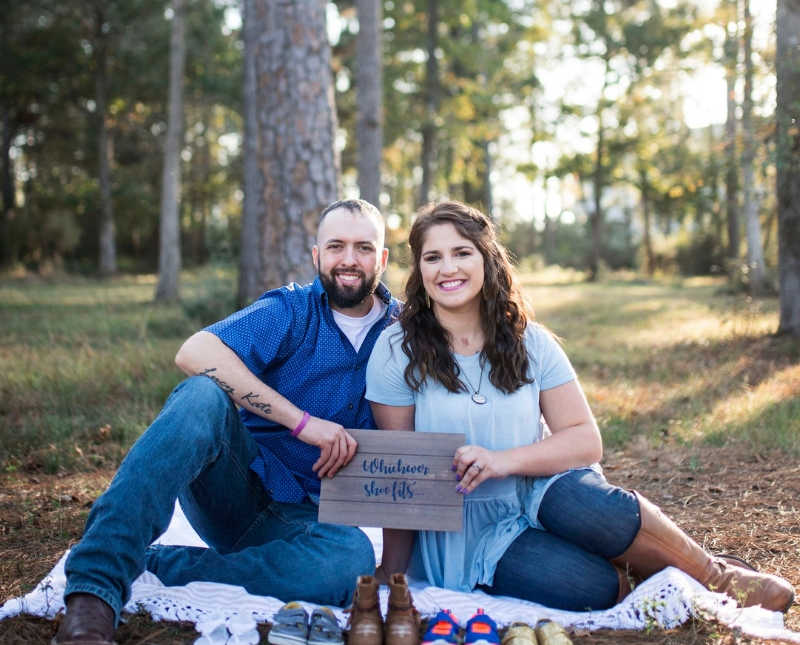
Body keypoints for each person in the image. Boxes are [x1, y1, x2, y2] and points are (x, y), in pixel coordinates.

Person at [365, 200, 794, 613]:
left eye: (462, 252)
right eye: (433, 257)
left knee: (585, 503)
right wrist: (393, 571)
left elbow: (586, 441)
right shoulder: (397, 349)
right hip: (468, 528)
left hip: (538, 491)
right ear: (419, 271)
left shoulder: (529, 341)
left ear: (486, 260)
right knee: (590, 586)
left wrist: (502, 461)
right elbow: (403, 472)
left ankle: (717, 576)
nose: (448, 268)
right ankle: (644, 570)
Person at [54, 199, 401, 645]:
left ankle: (153, 564)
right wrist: (303, 423)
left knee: (348, 559)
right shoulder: (291, 309)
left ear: (383, 259)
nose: (349, 260)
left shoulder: (404, 330)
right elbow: (194, 353)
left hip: (309, 523)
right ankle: (93, 591)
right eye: (336, 246)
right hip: (238, 490)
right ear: (316, 255)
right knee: (202, 394)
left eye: (364, 247)